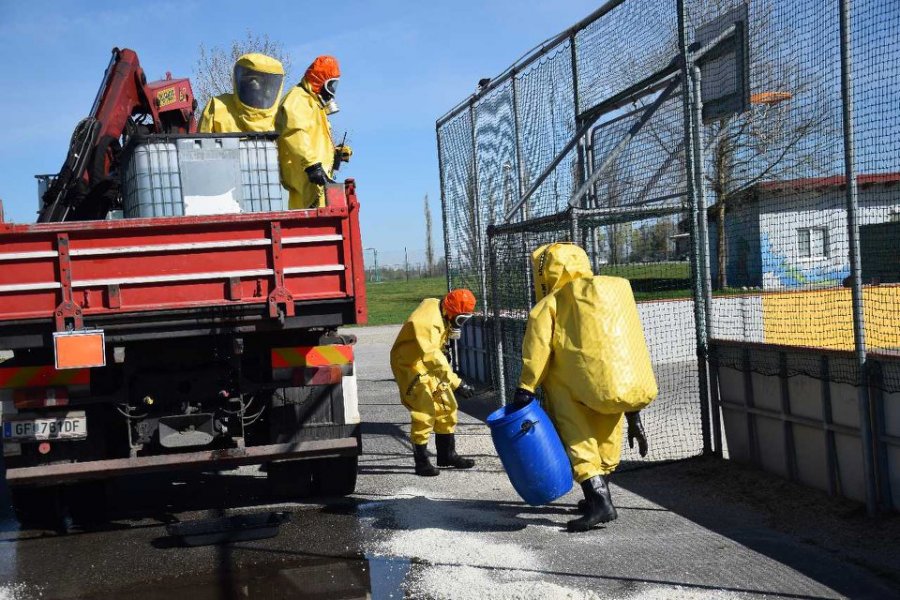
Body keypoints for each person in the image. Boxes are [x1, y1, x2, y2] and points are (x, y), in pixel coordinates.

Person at [513, 242, 657, 532]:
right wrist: (633, 412)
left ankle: (600, 503)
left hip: (570, 387)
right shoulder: (610, 294)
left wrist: (526, 386)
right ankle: (601, 496)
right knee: (605, 437)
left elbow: (538, 348)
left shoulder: (552, 302)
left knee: (577, 438)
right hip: (612, 382)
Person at [390, 289, 478, 476]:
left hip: (426, 362)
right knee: (425, 411)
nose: (460, 324)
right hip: (409, 365)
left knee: (447, 406)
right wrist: (457, 383)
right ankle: (421, 463)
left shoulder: (440, 308)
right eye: (460, 319)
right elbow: (433, 357)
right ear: (449, 311)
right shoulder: (426, 323)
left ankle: (446, 455)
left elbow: (434, 352)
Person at [275, 55, 352, 209]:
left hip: (316, 178)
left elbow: (315, 139)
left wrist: (335, 152)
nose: (332, 92)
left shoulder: (313, 103)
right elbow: (296, 133)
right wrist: (312, 166)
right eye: (331, 85)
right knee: (306, 226)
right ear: (319, 80)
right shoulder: (298, 99)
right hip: (306, 179)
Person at [198, 53, 285, 133]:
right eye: (251, 78)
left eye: (259, 80)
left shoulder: (282, 113)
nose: (254, 84)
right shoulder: (217, 106)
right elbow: (204, 145)